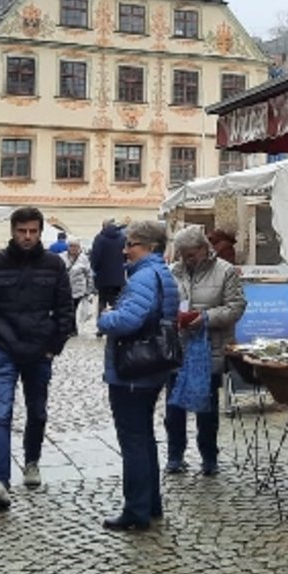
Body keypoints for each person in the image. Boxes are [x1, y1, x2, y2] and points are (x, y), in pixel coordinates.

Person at [0, 206, 76, 509]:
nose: (27, 237)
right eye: (22, 231)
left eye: (32, 231)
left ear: (40, 232)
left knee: (37, 411)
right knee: (1, 415)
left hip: (39, 350)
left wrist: (53, 346)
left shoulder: (54, 265)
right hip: (3, 350)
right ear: (13, 231)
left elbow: (64, 310)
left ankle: (32, 460)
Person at [96, 220, 178, 531]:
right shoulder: (161, 274)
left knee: (133, 441)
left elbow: (129, 320)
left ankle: (136, 510)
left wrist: (106, 318)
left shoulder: (144, 277)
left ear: (150, 247)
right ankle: (150, 503)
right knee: (144, 438)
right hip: (152, 367)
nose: (125, 249)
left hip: (133, 368)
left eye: (132, 244)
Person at [164, 226, 246, 477]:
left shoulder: (225, 271)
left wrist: (206, 317)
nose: (185, 260)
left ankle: (209, 458)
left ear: (203, 249)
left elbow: (236, 307)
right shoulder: (173, 272)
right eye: (182, 254)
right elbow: (164, 303)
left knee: (206, 409)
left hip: (209, 348)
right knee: (173, 408)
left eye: (190, 254)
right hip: (178, 349)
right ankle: (175, 456)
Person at [90, 218, 128, 320]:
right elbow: (126, 256)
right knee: (116, 301)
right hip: (118, 276)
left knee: (102, 300)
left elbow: (95, 257)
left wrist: (95, 268)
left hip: (103, 276)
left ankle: (101, 325)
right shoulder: (122, 238)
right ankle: (115, 322)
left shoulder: (99, 238)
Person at [64, 239, 95, 332]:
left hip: (78, 289)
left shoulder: (83, 258)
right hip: (65, 288)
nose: (73, 248)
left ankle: (72, 329)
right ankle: (71, 328)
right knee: (69, 309)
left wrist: (89, 289)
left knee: (73, 308)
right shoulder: (62, 257)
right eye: (71, 246)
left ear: (79, 248)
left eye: (75, 246)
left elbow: (89, 274)